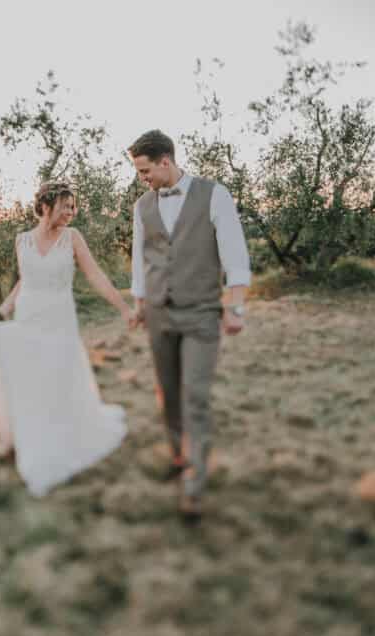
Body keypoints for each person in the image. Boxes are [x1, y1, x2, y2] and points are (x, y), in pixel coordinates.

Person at [0, 180, 134, 497]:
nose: (72, 211)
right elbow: (25, 282)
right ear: (47, 205)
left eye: (73, 206)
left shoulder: (72, 237)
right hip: (29, 315)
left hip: (60, 317)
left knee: (60, 376)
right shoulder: (21, 241)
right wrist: (1, 311)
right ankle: (32, 436)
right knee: (33, 380)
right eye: (66, 205)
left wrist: (123, 308)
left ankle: (65, 435)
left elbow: (95, 275)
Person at [127, 129, 251, 521]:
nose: (141, 178)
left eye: (145, 170)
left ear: (166, 160)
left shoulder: (214, 194)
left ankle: (195, 486)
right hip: (159, 314)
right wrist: (139, 301)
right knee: (168, 394)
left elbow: (234, 253)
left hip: (200, 313)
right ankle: (180, 456)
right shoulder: (141, 206)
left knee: (194, 395)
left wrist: (236, 306)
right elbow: (139, 260)